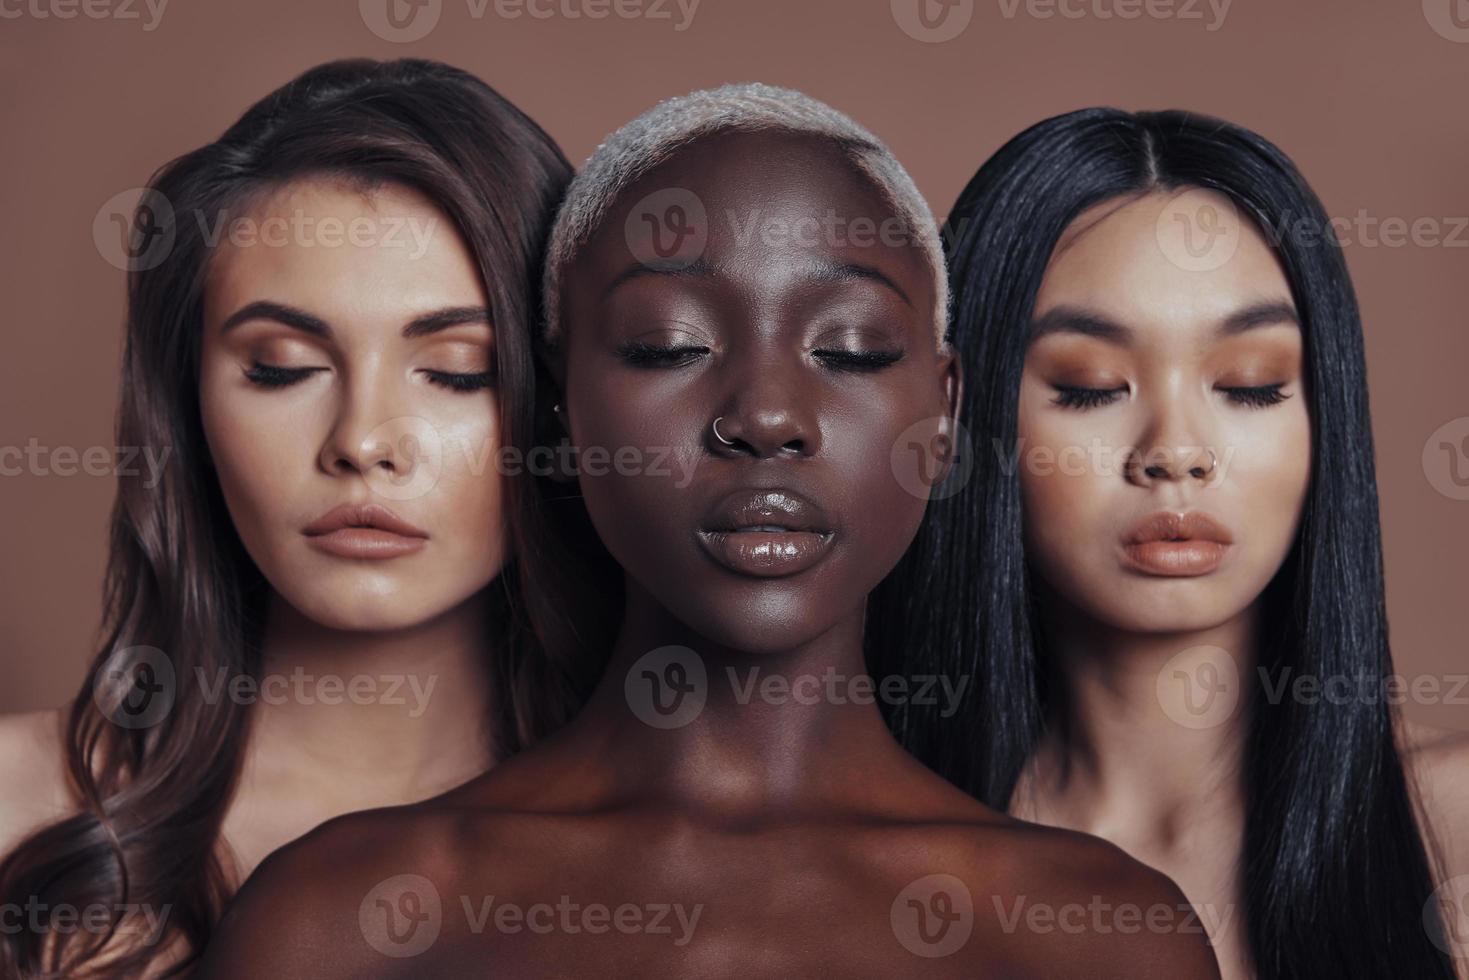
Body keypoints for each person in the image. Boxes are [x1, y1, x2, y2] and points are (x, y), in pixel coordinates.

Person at [196, 84, 1220, 979]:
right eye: (668, 344)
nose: (766, 415)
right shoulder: (342, 922)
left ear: (943, 414)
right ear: (558, 409)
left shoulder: (1100, 937)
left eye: (852, 350)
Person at [0, 57, 610, 977]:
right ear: (188, 402)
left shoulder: (666, 858)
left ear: (560, 405)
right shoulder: (12, 804)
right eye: (283, 366)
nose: (362, 442)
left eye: (457, 370)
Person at [868, 106, 1469, 979]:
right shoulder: (872, 858)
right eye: (1089, 387)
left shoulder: (1452, 820)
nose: (1175, 453)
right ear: (964, 417)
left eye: (1251, 385)